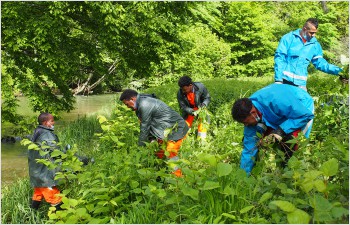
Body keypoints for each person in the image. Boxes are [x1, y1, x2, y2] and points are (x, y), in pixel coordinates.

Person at [231, 83, 314, 175]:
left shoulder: (277, 101)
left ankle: (289, 171)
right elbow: (249, 149)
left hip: (300, 106)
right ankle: (257, 172)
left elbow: (305, 115)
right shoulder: (249, 111)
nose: (245, 125)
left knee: (288, 139)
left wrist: (280, 131)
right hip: (273, 112)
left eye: (245, 122)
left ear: (253, 112)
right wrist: (243, 176)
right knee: (256, 141)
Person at [119, 89, 189, 177]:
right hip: (164, 130)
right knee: (158, 151)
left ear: (132, 99)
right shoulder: (140, 106)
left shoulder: (145, 105)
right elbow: (145, 124)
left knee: (170, 153)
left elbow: (145, 128)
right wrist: (151, 139)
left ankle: (177, 178)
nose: (127, 107)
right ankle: (160, 172)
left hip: (176, 129)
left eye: (126, 104)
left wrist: (140, 149)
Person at [274, 18, 344, 90]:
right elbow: (280, 58)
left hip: (300, 85)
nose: (314, 35)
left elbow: (321, 64)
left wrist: (340, 72)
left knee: (306, 101)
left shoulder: (315, 45)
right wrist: (278, 80)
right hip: (284, 81)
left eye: (315, 32)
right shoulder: (289, 38)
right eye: (311, 32)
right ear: (304, 29)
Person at [28, 113, 63, 210]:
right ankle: (60, 218)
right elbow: (55, 150)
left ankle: (32, 215)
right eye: (52, 121)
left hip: (36, 171)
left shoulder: (37, 131)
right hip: (44, 174)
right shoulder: (46, 134)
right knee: (55, 197)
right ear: (45, 122)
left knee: (38, 193)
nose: (54, 122)